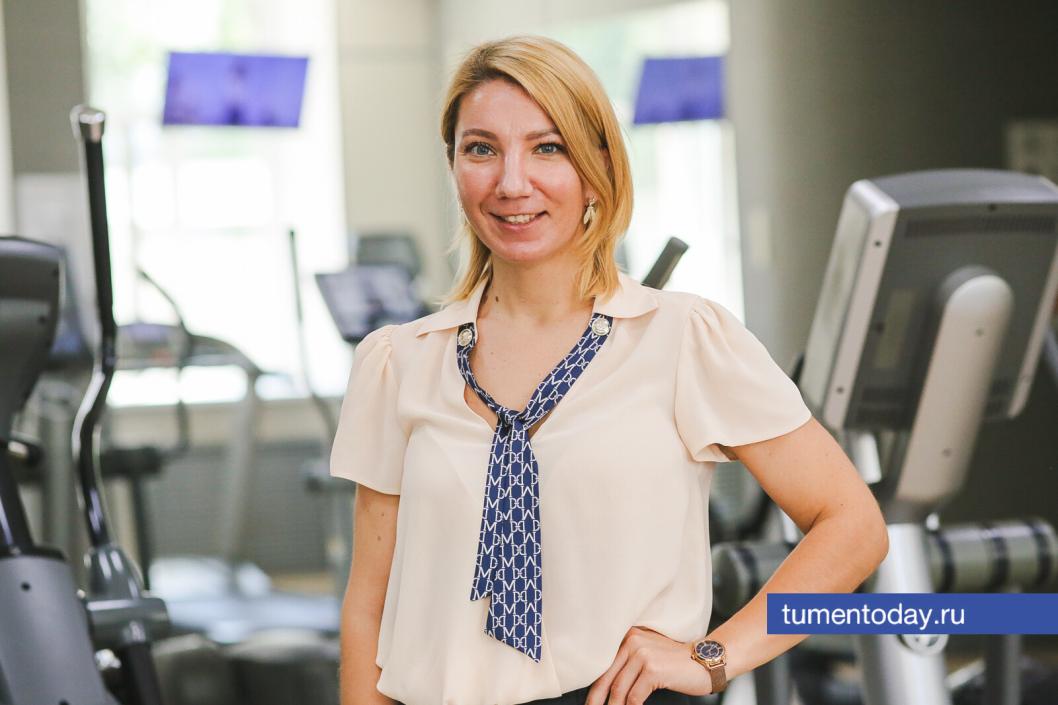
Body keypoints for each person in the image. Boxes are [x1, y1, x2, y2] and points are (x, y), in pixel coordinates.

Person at [330, 35, 888, 705]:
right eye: (481, 149)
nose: (512, 182)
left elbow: (853, 526)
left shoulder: (683, 338)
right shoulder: (398, 362)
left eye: (548, 148)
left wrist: (715, 657)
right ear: (453, 165)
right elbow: (368, 608)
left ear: (598, 165)